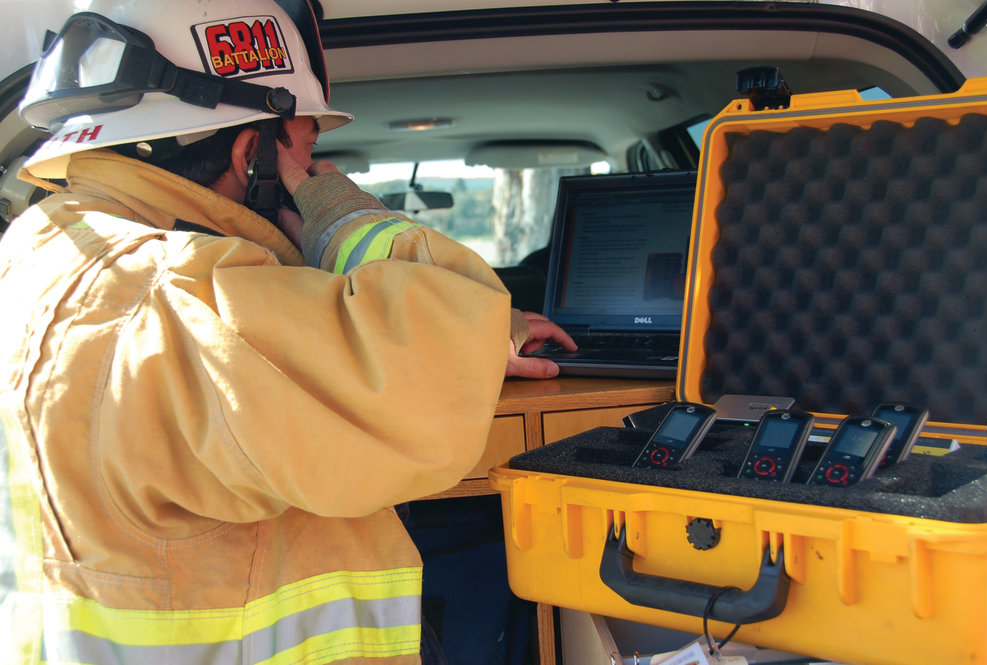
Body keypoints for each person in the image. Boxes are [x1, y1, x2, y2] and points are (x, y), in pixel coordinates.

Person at [0, 1, 576, 663]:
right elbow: (445, 347)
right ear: (254, 152)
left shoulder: (40, 254)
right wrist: (338, 215)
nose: (314, 173)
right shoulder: (178, 296)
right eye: (308, 152)